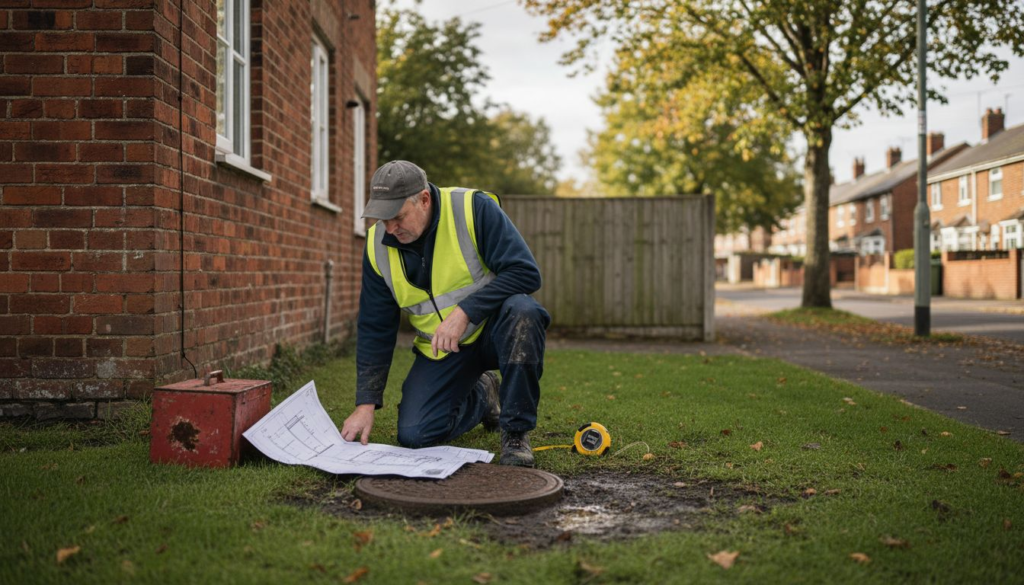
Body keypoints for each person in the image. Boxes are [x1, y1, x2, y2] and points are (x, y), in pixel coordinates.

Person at [341, 160, 550, 467]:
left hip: (495, 332)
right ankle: (484, 394)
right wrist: (365, 403)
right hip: (443, 350)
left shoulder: (472, 209)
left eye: (397, 217)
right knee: (414, 435)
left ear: (423, 199)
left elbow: (526, 272)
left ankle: (516, 432)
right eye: (383, 219)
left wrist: (466, 311)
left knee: (524, 312)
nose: (390, 229)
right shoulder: (376, 247)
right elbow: (375, 326)